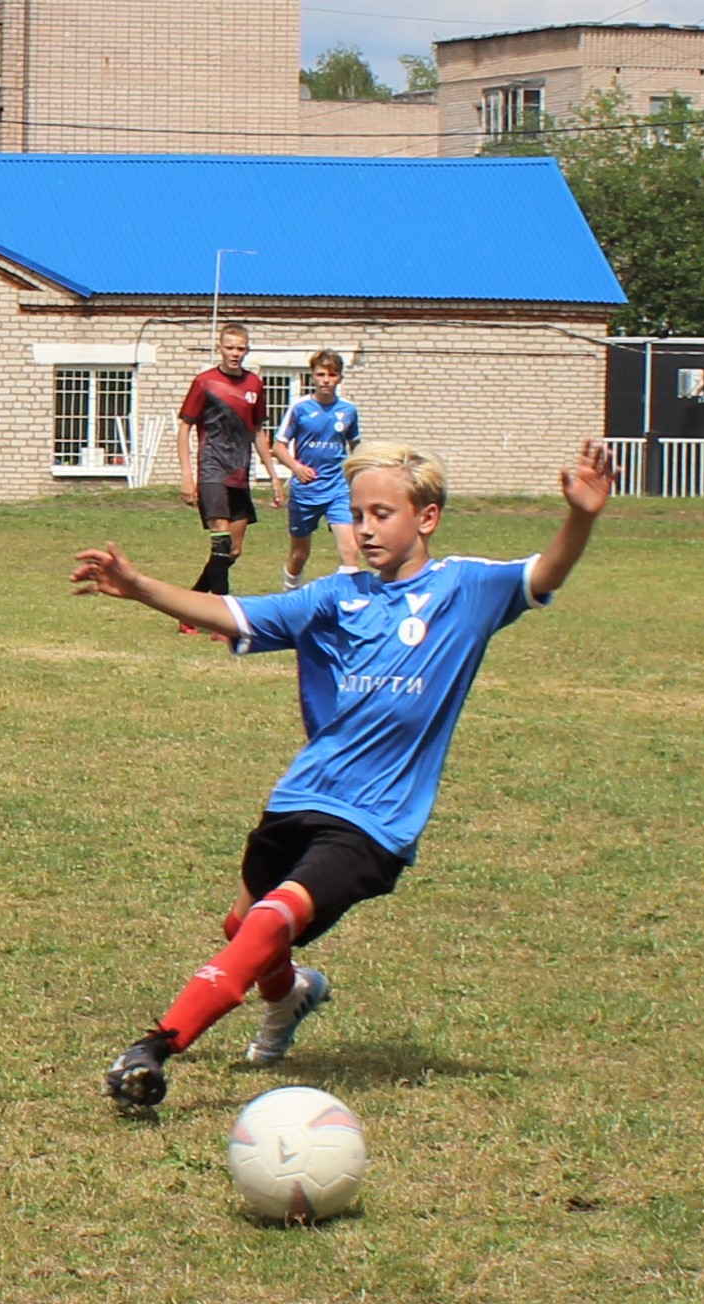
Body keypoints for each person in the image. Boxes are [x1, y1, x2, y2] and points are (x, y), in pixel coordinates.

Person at [83, 439, 615, 1110]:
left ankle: (154, 1046)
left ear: (427, 517)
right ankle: (292, 997)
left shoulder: (465, 590)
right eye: (358, 513)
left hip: (376, 823)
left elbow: (545, 572)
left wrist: (583, 517)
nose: (364, 528)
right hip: (302, 796)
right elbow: (233, 614)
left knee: (272, 917)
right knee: (242, 927)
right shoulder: (335, 597)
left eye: (382, 512)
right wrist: (139, 589)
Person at [174, 323, 273, 629]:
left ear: (247, 350)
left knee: (232, 550)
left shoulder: (255, 385)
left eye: (240, 348)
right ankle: (223, 623)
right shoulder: (205, 383)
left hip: (239, 474)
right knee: (220, 542)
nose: (235, 353)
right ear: (220, 347)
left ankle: (189, 610)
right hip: (212, 472)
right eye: (229, 347)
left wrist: (274, 475)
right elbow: (184, 428)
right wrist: (187, 476)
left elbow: (258, 432)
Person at [273, 350, 364, 590]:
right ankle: (289, 595)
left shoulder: (348, 410)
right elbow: (278, 446)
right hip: (306, 491)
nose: (326, 380)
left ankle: (349, 602)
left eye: (332, 375)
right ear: (312, 376)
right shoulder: (300, 408)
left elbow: (356, 447)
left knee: (350, 549)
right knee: (299, 554)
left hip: (338, 489)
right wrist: (296, 467)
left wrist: (360, 475)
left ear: (340, 378)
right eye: (321, 374)